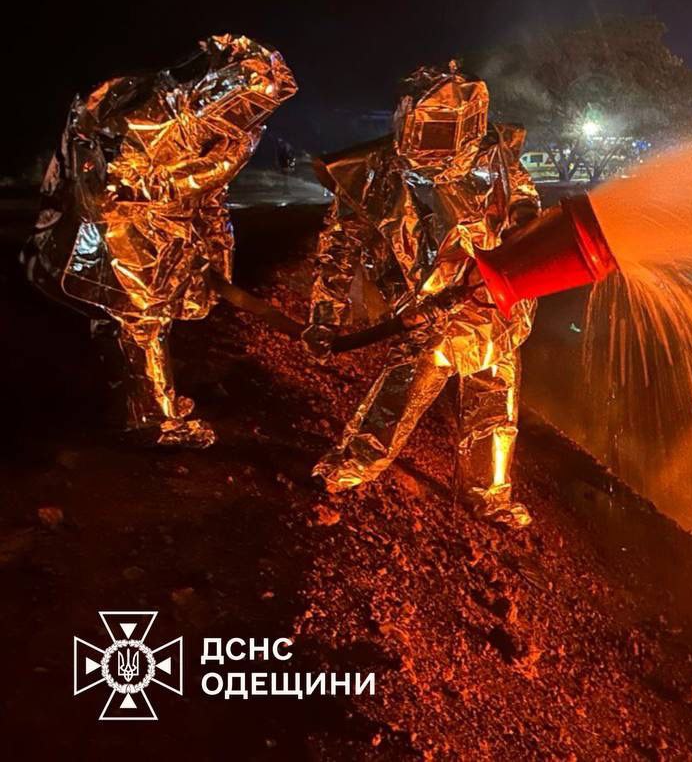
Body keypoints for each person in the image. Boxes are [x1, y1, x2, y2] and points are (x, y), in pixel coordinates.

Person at [23, 34, 297, 447]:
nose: (248, 115)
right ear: (221, 89)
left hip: (161, 230)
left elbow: (214, 196)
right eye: (244, 104)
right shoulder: (149, 111)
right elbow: (113, 185)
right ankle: (153, 420)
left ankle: (129, 402)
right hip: (119, 225)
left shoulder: (238, 135)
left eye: (259, 108)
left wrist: (216, 257)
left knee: (128, 317)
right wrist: (184, 184)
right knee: (140, 316)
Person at [307, 63, 540, 527]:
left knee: (494, 402)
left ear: (470, 126)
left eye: (445, 130)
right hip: (426, 313)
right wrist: (324, 316)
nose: (435, 143)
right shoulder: (377, 171)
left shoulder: (494, 156)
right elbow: (340, 247)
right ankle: (352, 465)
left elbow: (524, 200)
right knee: (402, 392)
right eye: (428, 129)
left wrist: (524, 222)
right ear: (407, 121)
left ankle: (490, 493)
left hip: (496, 306)